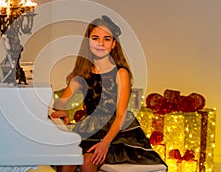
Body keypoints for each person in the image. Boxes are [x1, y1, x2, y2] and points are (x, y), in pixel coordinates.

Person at [50, 15, 167, 172]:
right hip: (90, 128)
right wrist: (62, 110)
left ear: (113, 44)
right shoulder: (81, 75)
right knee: (68, 160)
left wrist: (105, 143)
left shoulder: (121, 73)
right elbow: (61, 103)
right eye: (95, 38)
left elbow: (121, 115)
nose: (100, 43)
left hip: (117, 132)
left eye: (106, 39)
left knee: (87, 162)